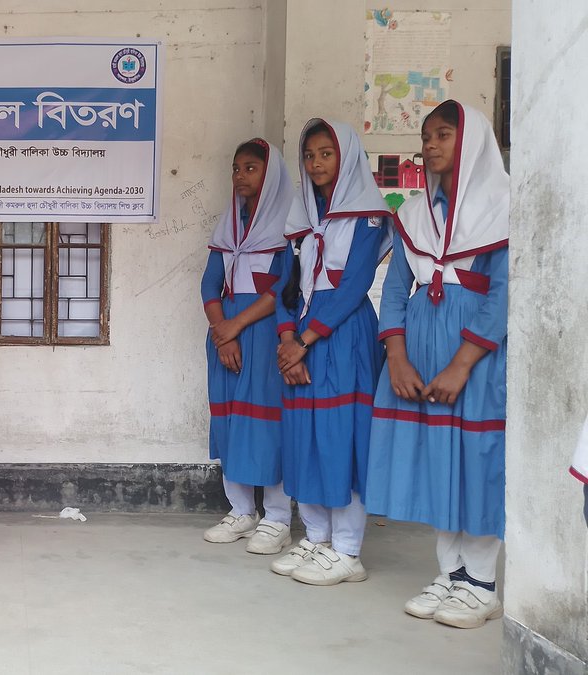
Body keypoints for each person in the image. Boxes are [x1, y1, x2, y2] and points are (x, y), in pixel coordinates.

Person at [365, 101, 509, 628]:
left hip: (474, 356)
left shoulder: (504, 206)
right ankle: (449, 574)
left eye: (443, 134)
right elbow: (397, 289)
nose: (430, 145)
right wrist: (397, 356)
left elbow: (502, 296)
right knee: (436, 459)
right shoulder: (413, 214)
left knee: (477, 460)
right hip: (419, 353)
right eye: (426, 136)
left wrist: (463, 364)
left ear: (469, 142)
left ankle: (482, 583)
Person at [269, 119, 392, 586]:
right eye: (310, 155)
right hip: (301, 332)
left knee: (343, 436)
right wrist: (286, 338)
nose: (316, 163)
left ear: (347, 158)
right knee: (306, 436)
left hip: (342, 334)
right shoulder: (300, 220)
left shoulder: (367, 215)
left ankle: (347, 550)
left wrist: (302, 341)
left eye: (327, 154)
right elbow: (284, 285)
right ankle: (317, 536)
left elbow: (354, 285)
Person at [200, 139, 294, 555]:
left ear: (270, 174)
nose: (240, 175)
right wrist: (222, 331)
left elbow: (281, 290)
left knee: (266, 422)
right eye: (236, 168)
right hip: (227, 336)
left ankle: (277, 517)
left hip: (264, 332)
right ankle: (241, 510)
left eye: (251, 168)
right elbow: (209, 283)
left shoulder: (288, 226)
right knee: (229, 420)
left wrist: (233, 326)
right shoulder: (228, 226)